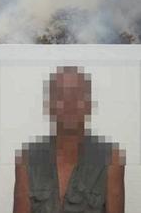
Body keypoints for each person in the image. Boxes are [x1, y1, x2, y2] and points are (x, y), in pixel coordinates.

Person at [13, 66, 125, 213]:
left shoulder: (112, 159)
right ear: (50, 105)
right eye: (61, 96)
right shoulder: (27, 159)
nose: (69, 104)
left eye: (76, 96)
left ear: (89, 105)